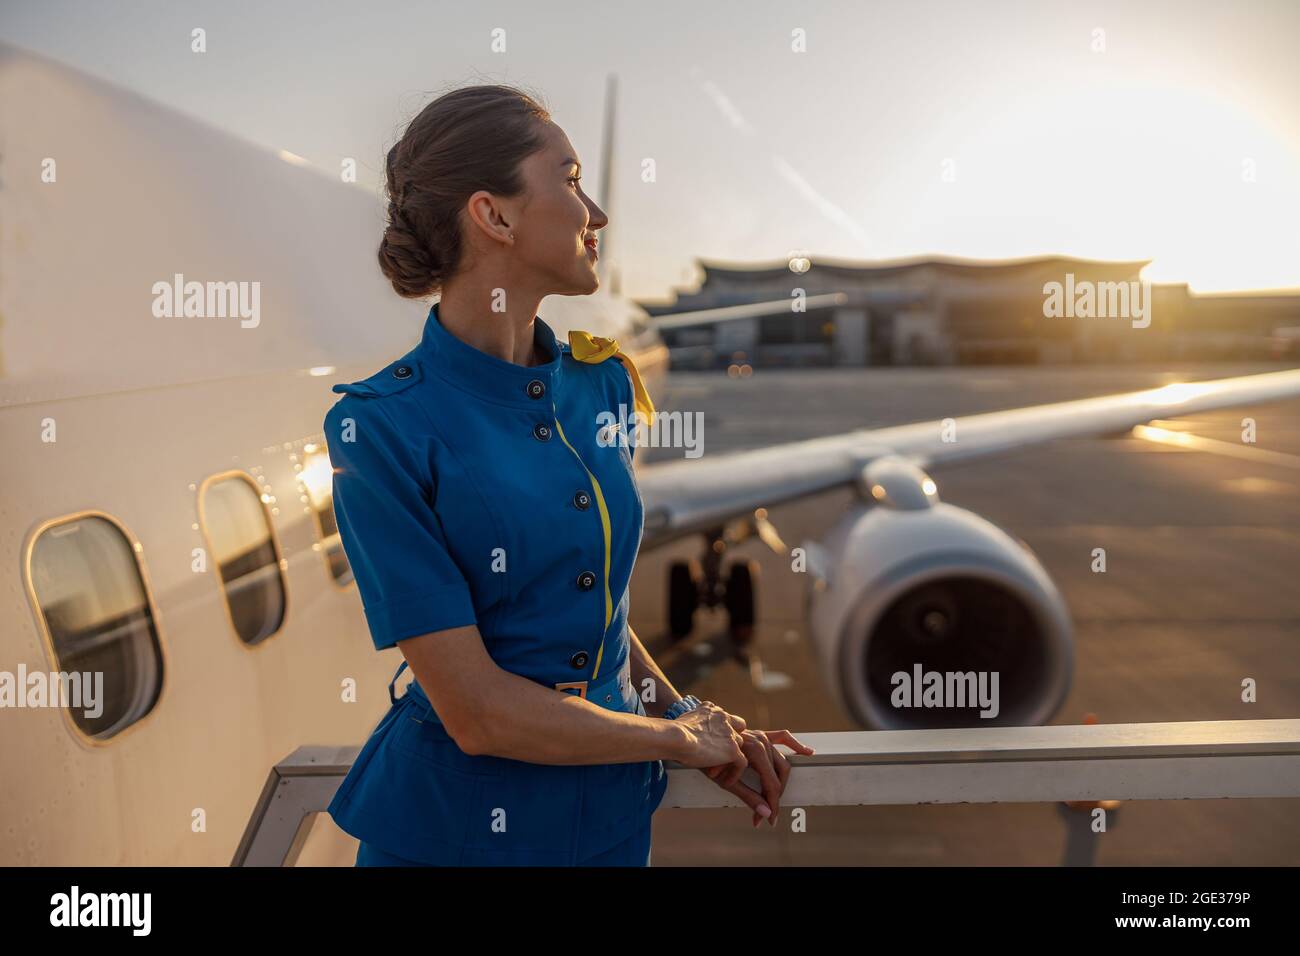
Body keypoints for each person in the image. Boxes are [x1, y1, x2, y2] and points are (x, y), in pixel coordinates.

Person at [324, 84, 812, 866]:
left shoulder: (601, 386)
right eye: (572, 178)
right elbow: (479, 712)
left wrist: (684, 714)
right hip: (452, 837)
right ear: (497, 215)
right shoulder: (381, 427)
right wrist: (677, 738)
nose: (598, 212)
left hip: (613, 823)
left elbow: (603, 620)